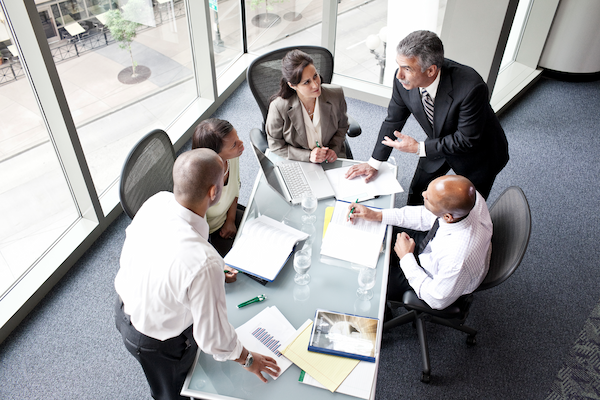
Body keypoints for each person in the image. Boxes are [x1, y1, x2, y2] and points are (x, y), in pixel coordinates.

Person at [114, 148, 280, 400]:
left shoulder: (156, 201)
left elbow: (162, 251)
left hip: (125, 304)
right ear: (214, 192)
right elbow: (213, 339)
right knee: (171, 393)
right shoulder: (204, 262)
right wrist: (248, 360)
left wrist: (204, 273)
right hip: (154, 340)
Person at [345, 30, 509, 205]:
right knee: (419, 192)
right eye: (399, 66)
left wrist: (419, 148)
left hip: (477, 153)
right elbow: (393, 120)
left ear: (430, 70)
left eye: (407, 69)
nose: (399, 75)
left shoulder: (471, 87)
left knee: (467, 206)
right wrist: (374, 162)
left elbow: (467, 139)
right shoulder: (402, 80)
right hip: (437, 140)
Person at [348, 175, 492, 311]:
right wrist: (377, 215)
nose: (423, 194)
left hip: (435, 280)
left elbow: (436, 299)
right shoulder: (470, 198)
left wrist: (406, 258)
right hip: (433, 248)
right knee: (381, 230)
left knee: (372, 279)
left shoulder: (457, 260)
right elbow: (426, 215)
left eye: (428, 198)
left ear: (447, 217)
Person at [266, 49, 349, 164]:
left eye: (315, 76)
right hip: (299, 162)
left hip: (330, 159)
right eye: (306, 82)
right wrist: (308, 156)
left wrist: (334, 149)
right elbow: (275, 145)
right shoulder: (279, 107)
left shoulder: (336, 95)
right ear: (292, 85)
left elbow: (342, 127)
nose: (315, 85)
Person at [192, 118, 245, 257]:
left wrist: (231, 220)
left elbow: (235, 188)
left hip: (227, 217)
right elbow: (197, 237)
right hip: (207, 237)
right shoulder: (201, 185)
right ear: (215, 156)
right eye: (234, 145)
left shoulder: (233, 157)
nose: (241, 144)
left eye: (237, 137)